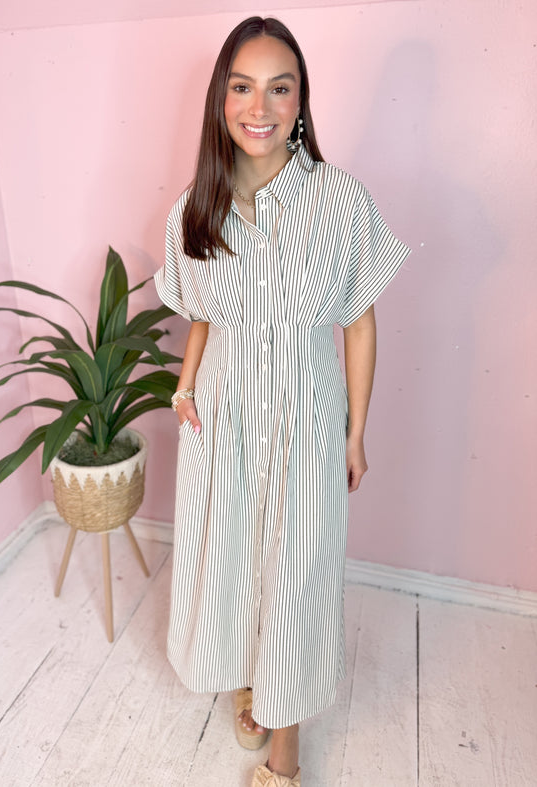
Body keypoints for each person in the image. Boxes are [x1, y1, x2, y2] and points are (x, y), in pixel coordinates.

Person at [154, 16, 410, 787]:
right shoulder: (196, 204)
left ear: (300, 102)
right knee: (232, 559)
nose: (257, 105)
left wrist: (356, 432)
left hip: (305, 411)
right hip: (223, 414)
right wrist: (185, 382)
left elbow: (359, 320)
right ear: (221, 98)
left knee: (296, 572)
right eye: (241, 86)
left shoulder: (339, 201)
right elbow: (203, 309)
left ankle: (286, 754)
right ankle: (252, 684)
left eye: (279, 86)